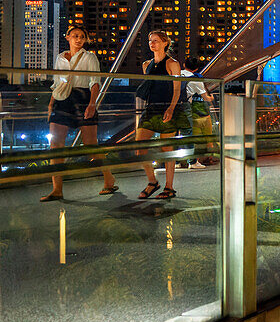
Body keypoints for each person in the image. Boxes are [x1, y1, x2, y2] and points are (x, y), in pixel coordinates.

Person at [39, 24, 118, 201]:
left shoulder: (90, 57)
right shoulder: (60, 58)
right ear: (67, 37)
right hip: (61, 100)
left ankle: (108, 178)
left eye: (82, 36)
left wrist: (92, 104)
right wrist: (52, 103)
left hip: (82, 99)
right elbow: (57, 82)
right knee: (56, 145)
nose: (79, 39)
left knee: (91, 144)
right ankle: (57, 189)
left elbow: (94, 82)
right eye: (75, 35)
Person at [135, 30, 187, 200]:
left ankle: (169, 187)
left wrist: (171, 108)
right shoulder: (146, 64)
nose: (152, 43)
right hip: (151, 109)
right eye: (150, 40)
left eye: (156, 41)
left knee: (167, 148)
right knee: (139, 146)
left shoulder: (172, 63)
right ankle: (153, 181)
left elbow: (177, 88)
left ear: (165, 43)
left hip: (167, 108)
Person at [182, 57, 217, 169]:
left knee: (178, 135)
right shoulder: (195, 79)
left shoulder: (178, 74)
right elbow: (205, 98)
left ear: (184, 65)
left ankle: (178, 161)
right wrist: (211, 98)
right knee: (189, 135)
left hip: (172, 104)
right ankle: (192, 162)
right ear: (196, 68)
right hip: (186, 106)